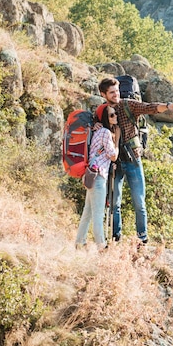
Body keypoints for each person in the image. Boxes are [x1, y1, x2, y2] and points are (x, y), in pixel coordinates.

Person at [98, 77, 173, 245]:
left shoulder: (128, 105)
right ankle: (116, 238)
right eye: (112, 92)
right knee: (114, 203)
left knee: (139, 202)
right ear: (103, 94)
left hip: (132, 158)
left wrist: (168, 106)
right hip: (114, 161)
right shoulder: (101, 111)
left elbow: (149, 108)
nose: (116, 95)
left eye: (117, 91)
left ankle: (142, 239)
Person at [75, 104, 120, 252]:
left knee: (87, 212)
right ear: (105, 118)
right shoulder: (106, 132)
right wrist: (117, 142)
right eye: (112, 115)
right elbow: (113, 156)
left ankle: (79, 243)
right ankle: (102, 246)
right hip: (99, 176)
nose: (115, 117)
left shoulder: (97, 132)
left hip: (91, 174)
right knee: (98, 214)